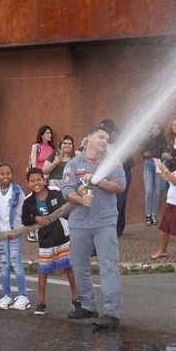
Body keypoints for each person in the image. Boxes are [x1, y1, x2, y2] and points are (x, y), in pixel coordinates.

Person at [62, 123, 126, 329]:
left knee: (108, 265)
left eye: (107, 139)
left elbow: (119, 186)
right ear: (88, 138)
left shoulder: (113, 163)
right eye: (100, 137)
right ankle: (88, 305)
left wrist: (98, 182)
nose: (104, 141)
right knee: (79, 264)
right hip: (79, 222)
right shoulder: (73, 164)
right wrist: (80, 200)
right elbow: (66, 190)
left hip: (104, 221)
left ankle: (111, 312)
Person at [22, 168, 79, 316]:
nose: (36, 183)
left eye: (39, 179)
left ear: (44, 179)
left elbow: (66, 207)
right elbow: (24, 219)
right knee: (43, 271)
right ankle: (41, 303)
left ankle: (76, 298)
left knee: (68, 268)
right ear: (28, 183)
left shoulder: (55, 191)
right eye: (32, 181)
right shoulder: (28, 201)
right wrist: (36, 218)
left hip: (62, 235)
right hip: (45, 239)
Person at [0, 163, 28, 310]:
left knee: (16, 262)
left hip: (14, 233)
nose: (5, 176)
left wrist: (15, 230)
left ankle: (23, 295)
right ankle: (6, 295)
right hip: (0, 233)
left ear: (12, 174)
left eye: (8, 173)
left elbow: (21, 211)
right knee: (4, 263)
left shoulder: (17, 191)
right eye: (2, 174)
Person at [140, 123, 166, 226]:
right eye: (153, 128)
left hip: (159, 164)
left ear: (160, 130)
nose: (155, 130)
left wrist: (151, 153)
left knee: (157, 191)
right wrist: (152, 153)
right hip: (148, 164)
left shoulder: (163, 141)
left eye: (157, 128)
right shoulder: (147, 139)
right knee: (149, 190)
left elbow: (162, 152)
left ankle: (154, 214)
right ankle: (148, 214)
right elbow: (142, 151)